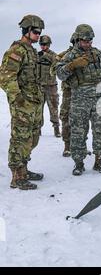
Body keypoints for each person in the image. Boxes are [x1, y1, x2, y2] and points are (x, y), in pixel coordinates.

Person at [56, 24, 101, 176]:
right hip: (80, 99)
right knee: (78, 131)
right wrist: (72, 66)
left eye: (90, 40)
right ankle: (79, 163)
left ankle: (99, 161)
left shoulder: (98, 54)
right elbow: (59, 73)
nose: (88, 43)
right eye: (85, 40)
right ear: (78, 39)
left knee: (100, 131)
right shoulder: (71, 55)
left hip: (99, 98)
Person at [0, 15, 45, 190]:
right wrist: (18, 99)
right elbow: (5, 78)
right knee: (20, 138)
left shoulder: (31, 51)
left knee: (32, 138)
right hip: (23, 104)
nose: (38, 35)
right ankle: (16, 177)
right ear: (26, 31)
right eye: (35, 31)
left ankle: (24, 170)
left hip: (34, 103)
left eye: (40, 32)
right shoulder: (16, 51)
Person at [55, 32, 77, 157]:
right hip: (68, 91)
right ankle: (67, 146)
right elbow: (55, 69)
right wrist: (70, 66)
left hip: (82, 92)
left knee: (81, 120)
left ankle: (79, 146)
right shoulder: (64, 55)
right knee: (66, 117)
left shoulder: (87, 54)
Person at [38, 35, 61, 137]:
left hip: (51, 86)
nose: (43, 46)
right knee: (38, 109)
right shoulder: (37, 55)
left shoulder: (53, 55)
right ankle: (37, 130)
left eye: (45, 44)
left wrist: (45, 55)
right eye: (41, 44)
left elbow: (57, 63)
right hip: (39, 86)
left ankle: (56, 129)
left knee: (54, 108)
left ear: (49, 44)